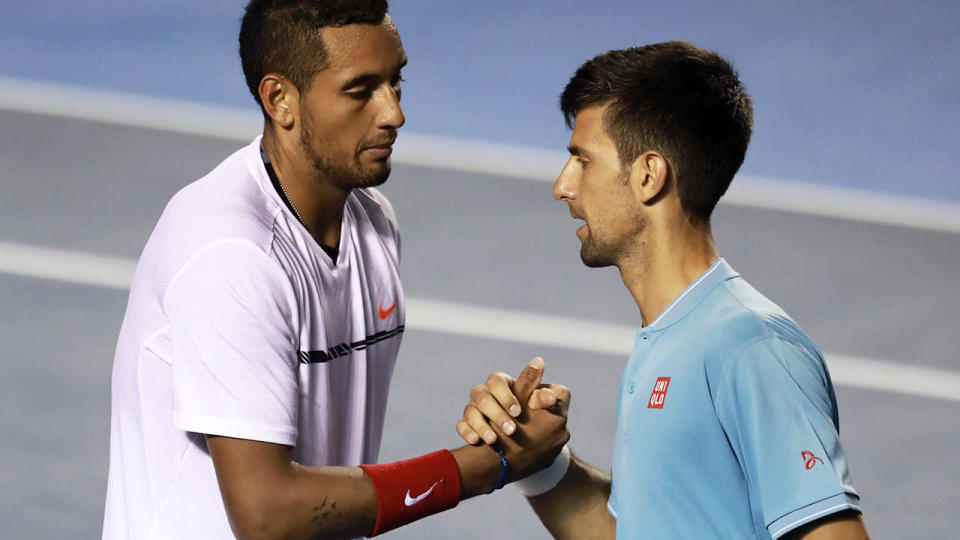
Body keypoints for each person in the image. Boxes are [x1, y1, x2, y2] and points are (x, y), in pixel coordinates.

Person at [101, 1, 569, 538]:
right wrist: (492, 464)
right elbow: (268, 514)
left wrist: (507, 429)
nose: (394, 113)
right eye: (361, 90)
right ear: (281, 100)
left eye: (396, 83)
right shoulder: (230, 253)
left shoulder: (372, 223)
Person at [457, 41, 870, 539]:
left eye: (582, 161)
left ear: (649, 175)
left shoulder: (749, 348)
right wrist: (537, 461)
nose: (562, 186)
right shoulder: (674, 340)